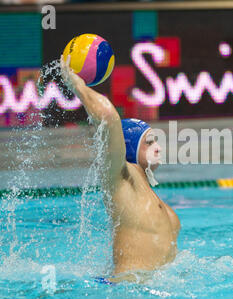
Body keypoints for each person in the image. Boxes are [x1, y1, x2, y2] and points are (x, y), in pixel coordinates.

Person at [60, 55, 181, 280]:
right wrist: (76, 84)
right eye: (149, 141)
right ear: (128, 149)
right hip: (124, 290)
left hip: (149, 290)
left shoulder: (148, 193)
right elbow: (107, 116)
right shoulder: (121, 179)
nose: (158, 147)